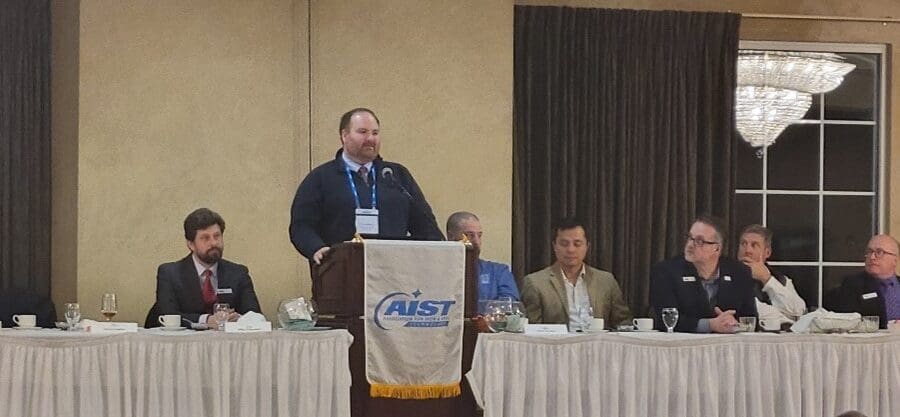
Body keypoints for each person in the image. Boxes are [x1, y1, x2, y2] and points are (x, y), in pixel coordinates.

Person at [289, 108, 444, 265]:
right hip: (340, 272)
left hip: (395, 274)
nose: (370, 138)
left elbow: (425, 225)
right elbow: (301, 226)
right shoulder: (321, 178)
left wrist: (441, 254)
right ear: (344, 135)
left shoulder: (396, 176)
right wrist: (316, 248)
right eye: (362, 132)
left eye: (375, 133)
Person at [152, 208, 261, 329]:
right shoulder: (170, 274)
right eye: (205, 238)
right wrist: (206, 320)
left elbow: (255, 314)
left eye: (217, 236)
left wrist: (239, 319)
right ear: (191, 244)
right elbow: (167, 315)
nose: (213, 243)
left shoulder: (238, 273)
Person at [649, 215, 757, 333]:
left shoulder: (739, 273)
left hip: (729, 346)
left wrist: (733, 324)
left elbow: (750, 319)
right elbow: (665, 321)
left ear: (717, 248)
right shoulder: (666, 271)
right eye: (690, 237)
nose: (690, 245)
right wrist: (710, 325)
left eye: (699, 241)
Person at [520, 218, 632, 330]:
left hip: (597, 344)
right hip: (556, 345)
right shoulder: (535, 282)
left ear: (587, 246)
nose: (571, 250)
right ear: (554, 246)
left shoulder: (606, 281)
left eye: (577, 244)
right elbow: (531, 329)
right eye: (564, 244)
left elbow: (623, 321)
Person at [445, 211, 519, 311]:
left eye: (479, 235)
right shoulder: (437, 272)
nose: (476, 241)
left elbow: (509, 305)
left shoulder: (498, 272)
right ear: (451, 236)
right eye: (469, 235)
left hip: (486, 326)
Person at [738, 224, 807, 328]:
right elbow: (752, 310)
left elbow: (798, 311)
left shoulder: (780, 279)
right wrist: (785, 320)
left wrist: (767, 279)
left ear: (767, 252)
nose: (747, 251)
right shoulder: (727, 276)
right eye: (743, 244)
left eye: (754, 245)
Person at [828, 234, 900, 328]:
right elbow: (847, 320)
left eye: (879, 252)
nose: (872, 257)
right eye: (869, 252)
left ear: (895, 259)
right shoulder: (852, 285)